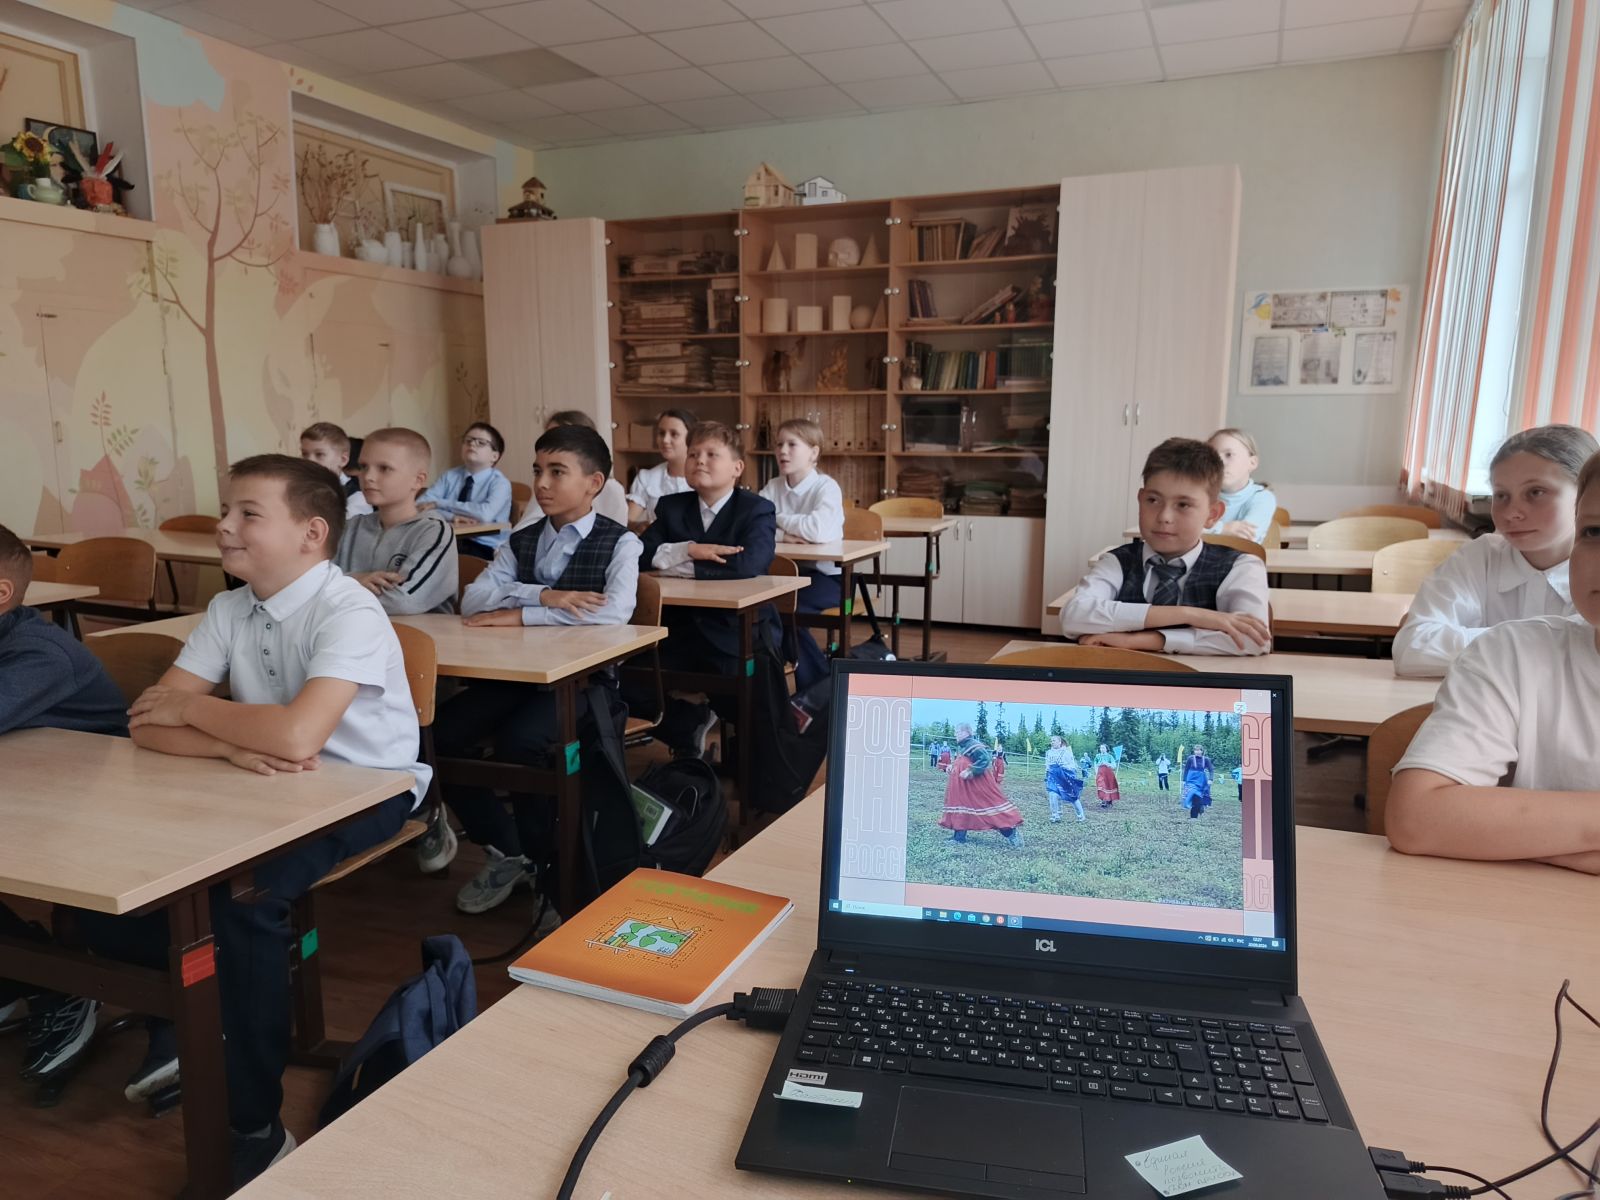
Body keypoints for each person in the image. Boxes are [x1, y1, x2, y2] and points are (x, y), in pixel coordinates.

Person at [118, 455, 425, 1183]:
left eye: (247, 514)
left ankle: (252, 1126)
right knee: (141, 868)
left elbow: (296, 737)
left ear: (312, 533)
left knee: (244, 897)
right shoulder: (231, 609)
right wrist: (227, 745)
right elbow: (144, 724)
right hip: (261, 786)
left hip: (365, 789)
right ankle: (190, 1030)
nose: (224, 525)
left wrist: (196, 710)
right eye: (227, 510)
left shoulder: (348, 610)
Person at [426, 424, 642, 913]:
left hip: (584, 686)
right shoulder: (521, 539)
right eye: (538, 470)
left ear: (594, 483)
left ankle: (553, 873)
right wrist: (543, 595)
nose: (541, 483)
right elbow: (474, 600)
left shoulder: (621, 543)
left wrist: (520, 615)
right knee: (441, 735)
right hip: (518, 680)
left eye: (557, 472)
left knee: (522, 743)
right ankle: (510, 851)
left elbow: (613, 614)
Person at [1386, 451, 1600, 876]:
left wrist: (1519, 837)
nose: (1513, 511)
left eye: (1536, 492)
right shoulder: (1512, 652)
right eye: (1594, 531)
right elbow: (1417, 818)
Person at [0, 524, 129, 1082]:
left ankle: (61, 982)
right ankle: (23, 973)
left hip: (98, 807)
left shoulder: (42, 653)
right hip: (28, 791)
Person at [1393, 424, 1599, 677]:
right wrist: (1547, 645)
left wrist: (1477, 645)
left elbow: (1588, 662)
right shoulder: (1478, 558)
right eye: (1501, 495)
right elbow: (1412, 649)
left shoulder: (1592, 574)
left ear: (1585, 496)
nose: (1511, 512)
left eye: (1536, 492)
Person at [641, 421, 778, 758]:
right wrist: (688, 549)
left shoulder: (756, 509)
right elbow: (639, 554)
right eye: (693, 454)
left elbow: (750, 564)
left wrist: (676, 565)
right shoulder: (671, 506)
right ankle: (687, 725)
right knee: (624, 679)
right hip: (677, 629)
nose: (699, 460)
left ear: (737, 468)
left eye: (711, 454)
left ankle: (747, 759)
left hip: (735, 632)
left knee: (746, 692)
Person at [1059, 438, 1271, 655]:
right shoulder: (1117, 562)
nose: (1164, 517)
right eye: (1153, 500)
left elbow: (1254, 639)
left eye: (1183, 505)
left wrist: (1144, 640)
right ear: (1140, 500)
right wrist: (1190, 615)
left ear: (1213, 514)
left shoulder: (1241, 566)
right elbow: (1074, 615)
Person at [758, 418, 845, 695]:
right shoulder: (772, 486)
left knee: (786, 612)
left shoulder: (826, 487)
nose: (782, 451)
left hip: (828, 578)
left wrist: (777, 518)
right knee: (760, 610)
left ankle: (817, 689)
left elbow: (817, 530)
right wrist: (783, 535)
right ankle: (778, 687)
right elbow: (755, 527)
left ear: (813, 452)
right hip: (784, 575)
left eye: (792, 444)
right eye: (779, 444)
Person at [333, 427, 458, 615]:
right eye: (364, 466)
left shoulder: (433, 531)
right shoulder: (351, 527)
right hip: (353, 628)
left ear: (418, 480)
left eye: (384, 468)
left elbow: (403, 601)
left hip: (416, 632)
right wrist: (354, 580)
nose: (368, 477)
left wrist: (340, 586)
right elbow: (310, 581)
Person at [514, 410, 629, 529]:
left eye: (560, 439)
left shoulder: (612, 491)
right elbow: (523, 529)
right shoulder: (545, 486)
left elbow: (615, 533)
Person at [419, 421, 513, 560]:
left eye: (480, 442)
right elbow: (420, 505)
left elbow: (485, 514)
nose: (472, 444)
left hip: (484, 546)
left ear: (495, 456)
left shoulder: (500, 483)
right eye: (468, 440)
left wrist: (439, 503)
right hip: (448, 539)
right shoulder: (449, 476)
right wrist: (451, 517)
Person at [938, 722, 1024, 847]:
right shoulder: (964, 746)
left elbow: (984, 759)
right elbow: (963, 761)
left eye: (957, 732)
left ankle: (1011, 833)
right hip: (965, 787)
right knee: (961, 807)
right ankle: (959, 837)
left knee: (988, 809)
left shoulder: (974, 745)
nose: (955, 735)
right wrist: (953, 766)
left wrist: (971, 771)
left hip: (976, 786)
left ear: (966, 732)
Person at [1205, 428, 1278, 542]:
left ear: (1252, 462)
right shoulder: (1200, 494)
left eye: (1229, 455)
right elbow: (1182, 530)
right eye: (1213, 457)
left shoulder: (1263, 497)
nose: (1219, 462)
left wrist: (1205, 530)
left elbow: (1245, 539)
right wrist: (1223, 529)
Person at [626, 408, 696, 526]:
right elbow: (628, 522)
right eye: (661, 433)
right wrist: (640, 526)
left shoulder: (705, 478)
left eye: (674, 434)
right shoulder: (646, 477)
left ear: (692, 438)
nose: (665, 440)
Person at [299, 421, 371, 519]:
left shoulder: (356, 497)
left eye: (319, 454)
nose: (309, 460)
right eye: (305, 454)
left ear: (343, 460)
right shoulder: (299, 489)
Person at [1044, 735, 1085, 823]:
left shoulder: (1066, 752)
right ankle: (1055, 815)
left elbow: (1072, 766)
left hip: (1064, 776)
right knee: (1053, 794)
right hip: (1053, 776)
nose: (1052, 742)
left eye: (1054, 740)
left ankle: (1081, 816)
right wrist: (1047, 771)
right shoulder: (1049, 752)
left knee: (1072, 796)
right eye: (1051, 741)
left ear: (1060, 742)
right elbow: (1047, 764)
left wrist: (1064, 767)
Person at [1181, 743, 1214, 818]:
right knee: (1192, 795)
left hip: (1201, 781)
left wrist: (1210, 779)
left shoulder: (1206, 759)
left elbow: (1211, 770)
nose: (1197, 752)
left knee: (1198, 797)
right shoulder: (1190, 758)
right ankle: (1194, 815)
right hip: (1191, 780)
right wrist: (1184, 780)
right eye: (1196, 750)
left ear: (1202, 751)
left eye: (1199, 750)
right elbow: (1186, 769)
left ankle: (1197, 811)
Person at [1094, 744, 1120, 808]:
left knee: (1108, 786)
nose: (1102, 749)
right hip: (1100, 773)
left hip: (1108, 774)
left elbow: (1114, 765)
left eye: (1103, 748)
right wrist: (1097, 771)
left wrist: (1107, 764)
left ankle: (1109, 800)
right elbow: (1095, 765)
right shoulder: (1097, 756)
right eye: (1101, 748)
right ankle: (1104, 800)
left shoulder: (1109, 756)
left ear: (1106, 749)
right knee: (1101, 785)